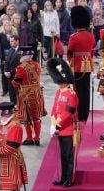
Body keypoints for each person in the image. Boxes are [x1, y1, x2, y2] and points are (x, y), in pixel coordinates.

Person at [47, 57, 79, 188]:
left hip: (67, 129)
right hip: (59, 128)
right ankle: (63, 177)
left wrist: (57, 123)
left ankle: (69, 179)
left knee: (68, 156)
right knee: (62, 156)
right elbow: (55, 108)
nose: (59, 84)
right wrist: (52, 122)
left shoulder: (72, 95)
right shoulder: (58, 91)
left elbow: (68, 113)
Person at [11, 46, 45, 146]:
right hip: (37, 93)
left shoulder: (20, 68)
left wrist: (12, 80)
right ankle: (37, 138)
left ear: (23, 55)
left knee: (26, 118)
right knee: (36, 117)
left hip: (26, 95)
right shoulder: (37, 64)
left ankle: (29, 138)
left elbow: (16, 83)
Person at [67, 6, 95, 125]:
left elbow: (69, 53)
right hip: (87, 66)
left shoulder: (74, 37)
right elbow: (92, 52)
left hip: (77, 66)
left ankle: (79, 114)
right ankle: (85, 114)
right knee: (86, 90)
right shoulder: (91, 36)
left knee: (77, 91)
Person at [0, 102, 28, 190]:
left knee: (12, 186)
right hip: (3, 159)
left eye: (2, 113)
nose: (1, 116)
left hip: (12, 160)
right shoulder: (4, 124)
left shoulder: (15, 126)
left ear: (7, 113)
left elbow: (11, 147)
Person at [4, 35, 19, 103]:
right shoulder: (10, 50)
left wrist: (11, 72)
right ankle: (12, 108)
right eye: (10, 41)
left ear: (17, 41)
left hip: (16, 76)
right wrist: (5, 71)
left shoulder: (21, 51)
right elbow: (7, 63)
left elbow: (20, 65)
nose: (10, 43)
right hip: (9, 77)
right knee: (11, 94)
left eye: (12, 41)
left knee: (17, 95)